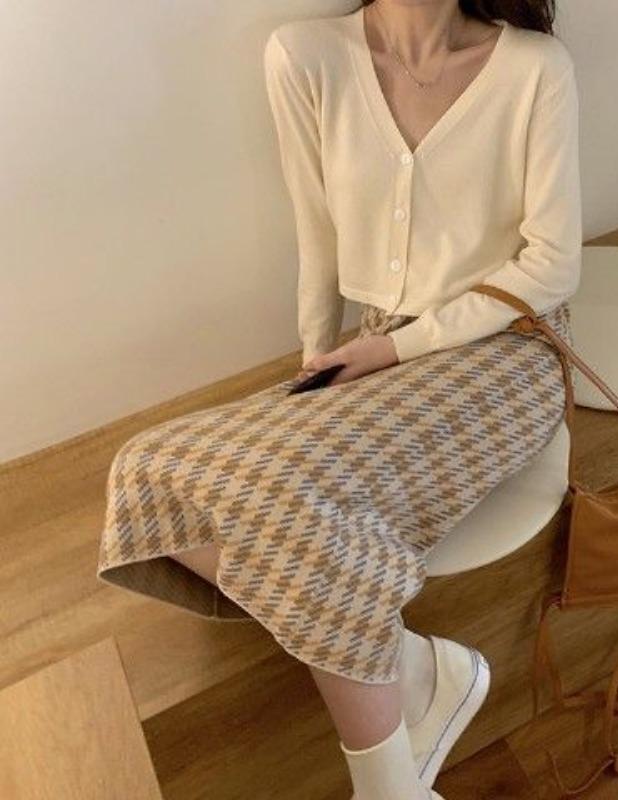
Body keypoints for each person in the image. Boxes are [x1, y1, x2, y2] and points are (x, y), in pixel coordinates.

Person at [96, 1, 581, 797]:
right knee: (144, 469)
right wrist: (314, 375)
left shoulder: (534, 67)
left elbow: (553, 266)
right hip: (376, 350)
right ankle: (410, 666)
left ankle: (389, 785)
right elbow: (316, 232)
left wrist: (391, 352)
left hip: (509, 351)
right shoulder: (305, 56)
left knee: (283, 502)